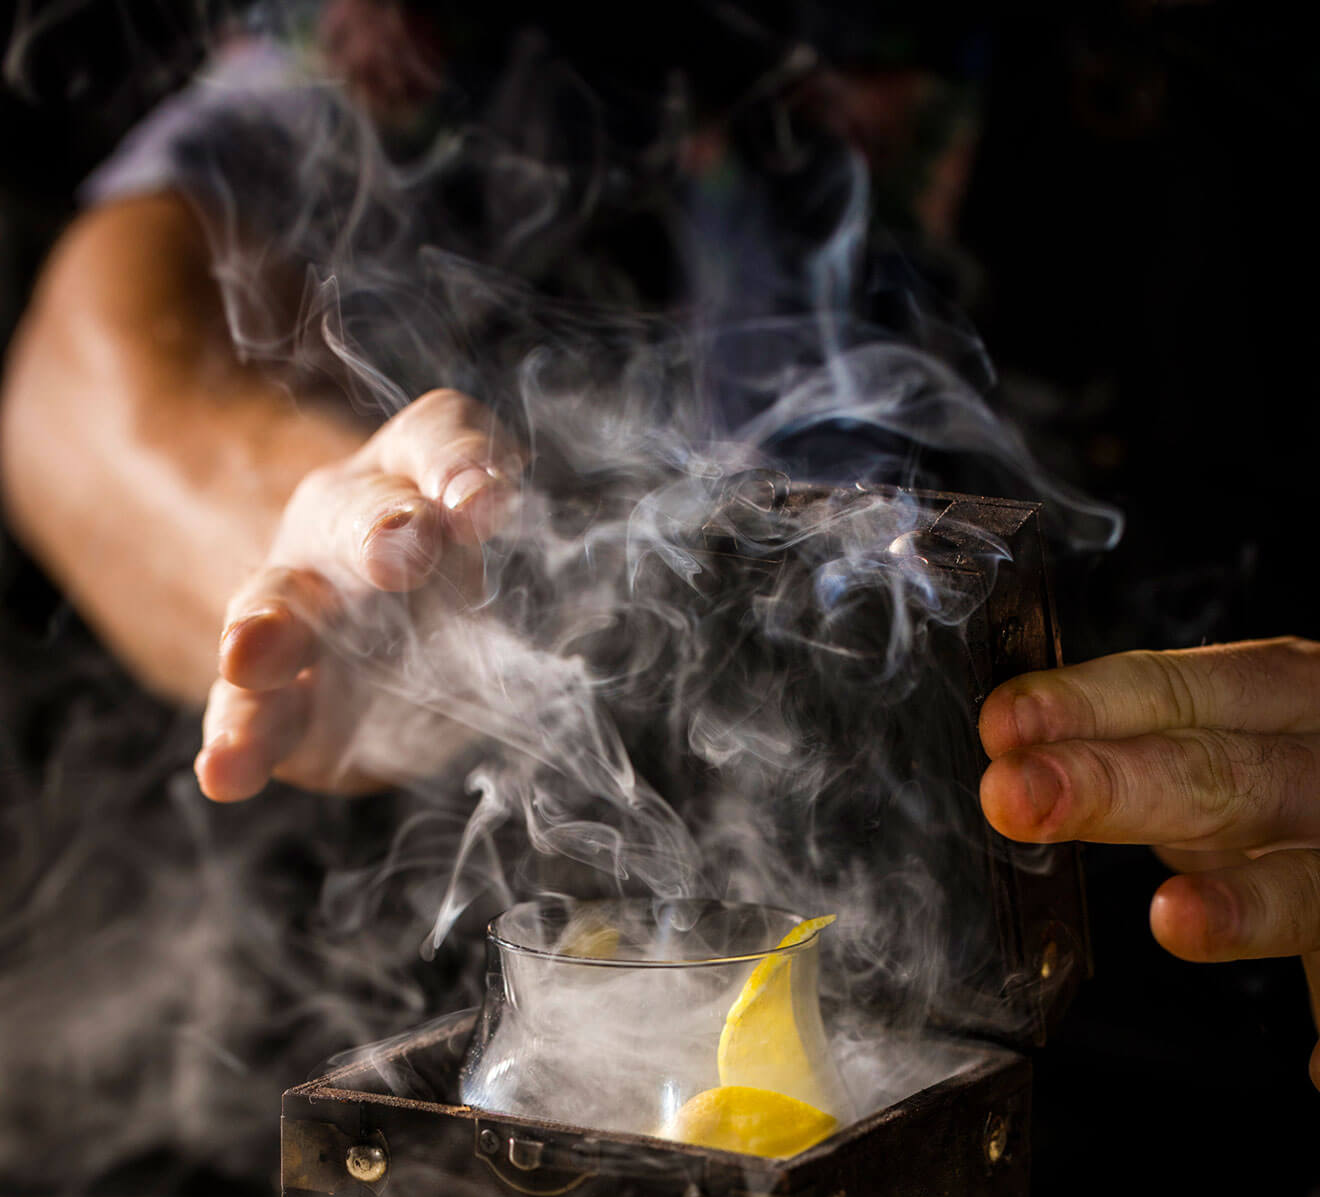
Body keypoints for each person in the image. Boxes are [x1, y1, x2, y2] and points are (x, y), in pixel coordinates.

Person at [2, 2, 1317, 1095]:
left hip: (1196, 1147)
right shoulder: (450, 34)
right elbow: (79, 380)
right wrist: (321, 529)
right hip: (522, 1140)